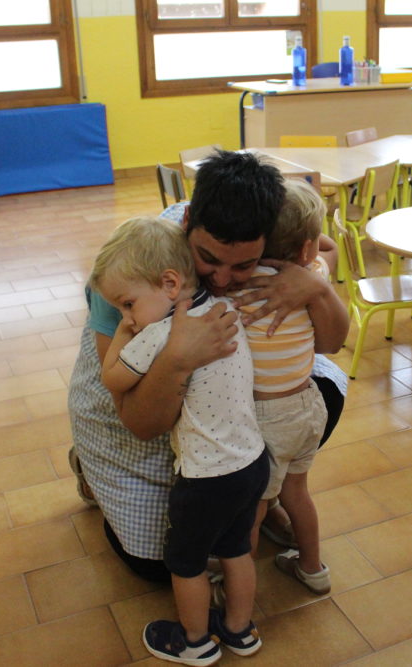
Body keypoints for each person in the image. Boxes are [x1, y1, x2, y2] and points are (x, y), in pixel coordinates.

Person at [66, 150, 348, 583]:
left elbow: (326, 257)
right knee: (162, 567)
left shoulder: (271, 237)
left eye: (244, 265)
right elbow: (138, 420)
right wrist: (180, 357)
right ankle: (90, 469)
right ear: (187, 222)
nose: (220, 279)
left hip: (222, 405)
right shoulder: (137, 268)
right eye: (208, 259)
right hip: (127, 407)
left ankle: (262, 496)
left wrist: (313, 284)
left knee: (317, 394)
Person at [90, 216, 267, 664]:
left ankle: (194, 641)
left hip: (205, 477)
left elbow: (112, 378)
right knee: (236, 547)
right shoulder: (224, 310)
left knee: (185, 562)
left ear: (170, 283)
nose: (125, 317)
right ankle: (240, 630)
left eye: (127, 304)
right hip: (252, 462)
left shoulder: (158, 333)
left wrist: (124, 335)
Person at [233, 179, 331, 594]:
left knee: (251, 512)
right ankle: (313, 569)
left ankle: (243, 591)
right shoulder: (314, 275)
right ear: (307, 248)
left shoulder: (240, 285)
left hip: (264, 417)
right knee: (298, 494)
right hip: (308, 404)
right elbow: (325, 249)